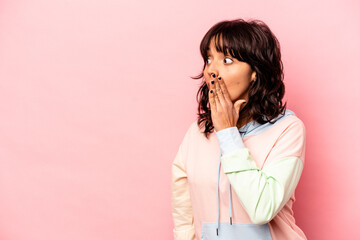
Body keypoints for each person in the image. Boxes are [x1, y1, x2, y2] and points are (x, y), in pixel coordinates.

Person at [171, 18, 307, 240]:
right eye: (208, 59)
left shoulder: (288, 130)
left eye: (226, 60)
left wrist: (227, 133)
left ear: (255, 71)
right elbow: (183, 209)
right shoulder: (198, 133)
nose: (212, 71)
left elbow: (263, 207)